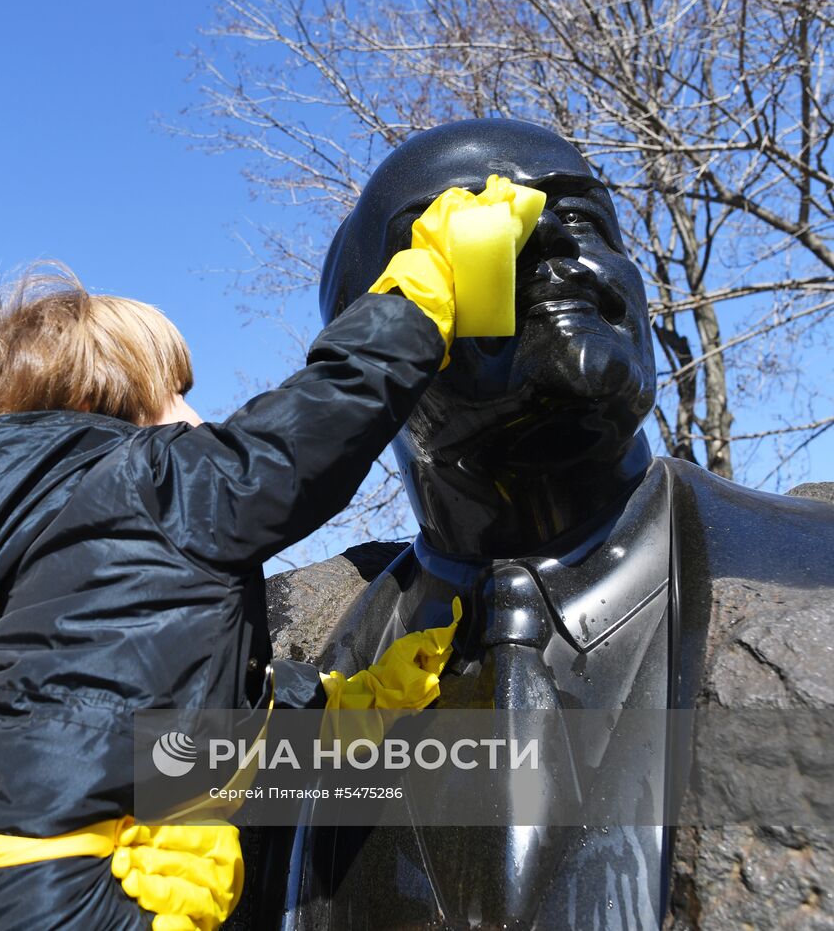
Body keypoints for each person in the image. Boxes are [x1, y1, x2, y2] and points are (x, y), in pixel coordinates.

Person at [0, 183, 543, 931]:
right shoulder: (143, 485)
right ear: (93, 412)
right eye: (173, 396)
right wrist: (427, 287)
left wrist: (363, 706)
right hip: (69, 873)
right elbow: (312, 429)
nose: (197, 420)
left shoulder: (47, 566)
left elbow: (194, 736)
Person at [275, 119, 834, 929]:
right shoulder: (262, 657)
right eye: (469, 231)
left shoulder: (813, 559)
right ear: (361, 355)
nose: (546, 239)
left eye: (583, 219)